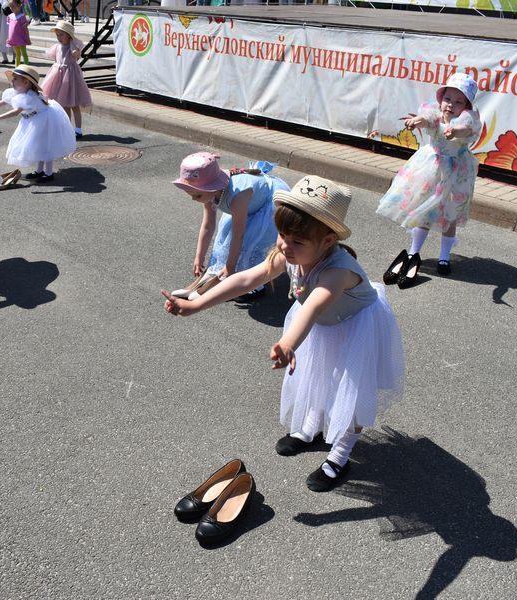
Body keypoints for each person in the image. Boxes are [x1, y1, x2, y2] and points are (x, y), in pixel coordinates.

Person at [163, 175, 405, 492]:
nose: (284, 246)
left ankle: (340, 455)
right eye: (281, 235)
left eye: (297, 242)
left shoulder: (337, 272)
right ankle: (310, 429)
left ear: (328, 241)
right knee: (315, 374)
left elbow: (314, 306)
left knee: (350, 390)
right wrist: (196, 304)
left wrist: (289, 342)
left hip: (355, 325)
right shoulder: (290, 252)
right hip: (321, 324)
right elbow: (247, 279)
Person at [376, 73, 482, 285]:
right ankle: (413, 253)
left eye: (458, 101)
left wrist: (454, 130)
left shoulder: (468, 119)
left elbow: (466, 129)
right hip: (430, 168)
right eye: (448, 99)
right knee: (424, 210)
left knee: (449, 215)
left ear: (466, 105)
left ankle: (444, 256)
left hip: (456, 172)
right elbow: (427, 119)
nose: (451, 105)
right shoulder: (434, 111)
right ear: (441, 98)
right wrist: (417, 121)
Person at [169, 152, 289, 302]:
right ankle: (213, 276)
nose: (194, 199)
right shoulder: (209, 192)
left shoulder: (237, 196)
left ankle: (255, 286)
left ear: (212, 188)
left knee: (250, 244)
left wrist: (230, 267)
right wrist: (199, 256)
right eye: (190, 195)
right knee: (224, 243)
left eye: (197, 195)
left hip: (267, 206)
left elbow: (238, 235)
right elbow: (208, 225)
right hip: (248, 206)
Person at [0, 64, 75, 183]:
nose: (12, 81)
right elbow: (3, 101)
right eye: (12, 79)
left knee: (46, 146)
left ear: (26, 83)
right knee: (39, 145)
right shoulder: (18, 91)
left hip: (45, 119)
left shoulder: (30, 97)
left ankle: (48, 174)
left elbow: (15, 112)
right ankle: (39, 171)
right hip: (32, 119)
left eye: (15, 79)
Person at [40, 21, 90, 139]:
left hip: (71, 78)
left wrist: (74, 46)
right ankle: (67, 128)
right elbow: (56, 59)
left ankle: (78, 129)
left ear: (69, 35)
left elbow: (77, 55)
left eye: (61, 35)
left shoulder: (73, 46)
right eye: (57, 35)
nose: (59, 37)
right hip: (58, 77)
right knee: (64, 105)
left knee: (74, 104)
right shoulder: (57, 47)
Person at [5, 0, 30, 66]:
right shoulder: (10, 16)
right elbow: (10, 29)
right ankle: (17, 68)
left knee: (24, 53)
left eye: (13, 6)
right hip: (14, 39)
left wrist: (27, 38)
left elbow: (25, 29)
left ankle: (26, 68)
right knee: (17, 54)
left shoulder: (22, 16)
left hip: (21, 38)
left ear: (19, 5)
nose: (11, 8)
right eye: (10, 6)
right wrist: (8, 37)